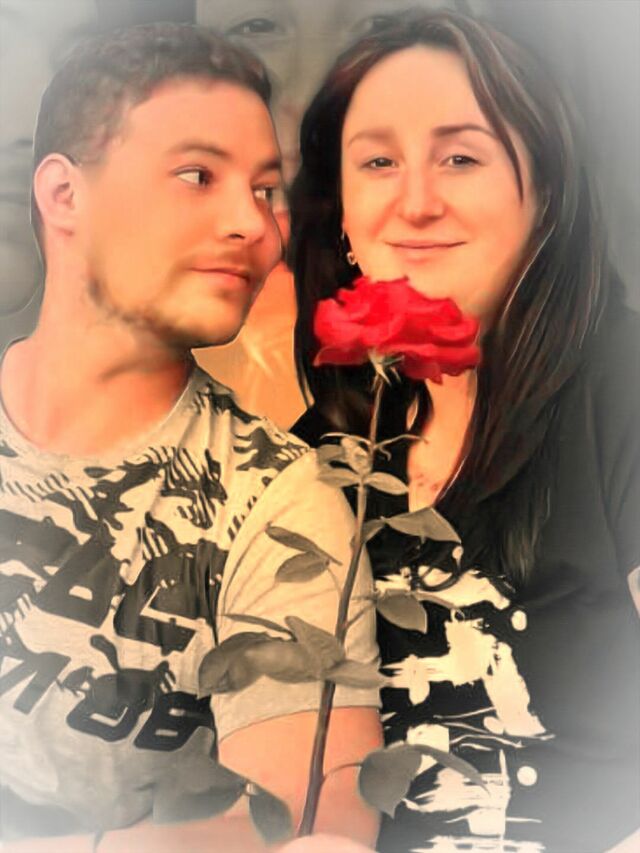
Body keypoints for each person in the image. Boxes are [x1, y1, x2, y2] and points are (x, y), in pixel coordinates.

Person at [0, 23, 382, 851]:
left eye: (266, 189)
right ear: (63, 195)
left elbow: (321, 829)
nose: (253, 223)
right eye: (197, 175)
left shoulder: (280, 508)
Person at [290, 9, 639, 853]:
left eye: (460, 157)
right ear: (342, 214)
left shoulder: (622, 383)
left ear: (544, 191)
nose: (416, 201)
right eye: (378, 162)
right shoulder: (314, 457)